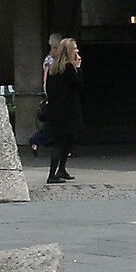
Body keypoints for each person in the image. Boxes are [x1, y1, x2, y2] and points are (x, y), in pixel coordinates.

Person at [44, 37, 84, 183]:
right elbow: (79, 84)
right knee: (62, 142)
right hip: (68, 110)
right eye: (74, 49)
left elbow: (49, 89)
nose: (77, 51)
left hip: (57, 110)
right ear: (68, 51)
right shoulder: (69, 68)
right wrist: (78, 67)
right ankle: (52, 174)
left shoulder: (53, 69)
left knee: (63, 140)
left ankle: (60, 170)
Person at [28, 34, 61, 158]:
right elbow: (46, 79)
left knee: (52, 123)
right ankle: (36, 139)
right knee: (52, 124)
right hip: (53, 96)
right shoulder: (50, 61)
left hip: (54, 95)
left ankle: (38, 140)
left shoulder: (53, 60)